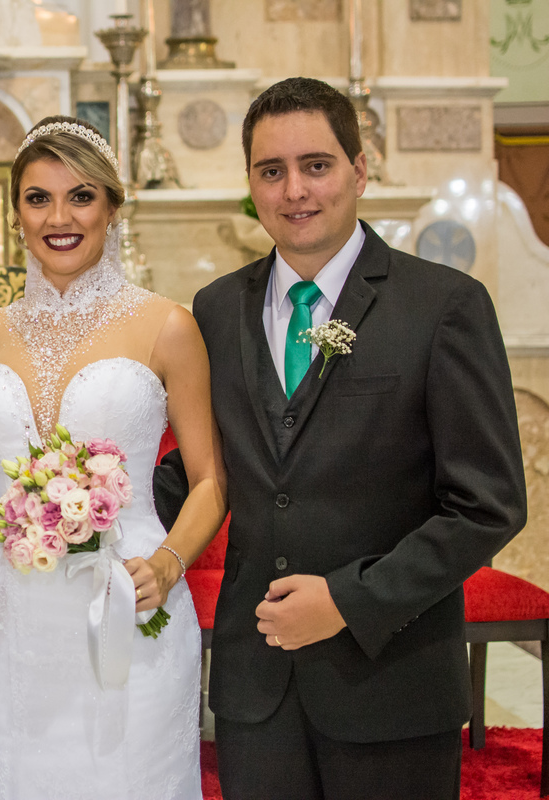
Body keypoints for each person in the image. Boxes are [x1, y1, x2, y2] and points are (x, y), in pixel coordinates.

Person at [155, 77, 527, 799]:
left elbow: (488, 505)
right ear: (250, 184)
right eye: (271, 170)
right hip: (256, 686)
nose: (294, 190)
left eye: (316, 165)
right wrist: (80, 502)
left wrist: (349, 601)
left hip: (391, 681)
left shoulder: (443, 305)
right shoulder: (217, 308)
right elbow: (202, 469)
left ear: (360, 170)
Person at [0, 116, 228, 799]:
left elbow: (210, 479)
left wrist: (169, 564)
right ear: (15, 214)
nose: (59, 218)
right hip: (9, 614)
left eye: (81, 196)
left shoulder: (168, 326)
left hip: (130, 598)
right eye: (38, 198)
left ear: (113, 208)